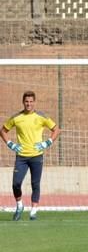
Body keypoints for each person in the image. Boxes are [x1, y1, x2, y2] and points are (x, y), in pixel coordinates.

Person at [1, 91, 61, 221]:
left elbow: (56, 129)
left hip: (36, 156)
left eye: (31, 101)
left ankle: (33, 211)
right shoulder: (16, 117)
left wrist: (48, 142)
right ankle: (19, 205)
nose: (29, 104)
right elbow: (3, 130)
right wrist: (11, 144)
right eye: (26, 101)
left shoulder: (41, 117)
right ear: (23, 102)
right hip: (21, 156)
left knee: (35, 184)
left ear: (34, 102)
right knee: (16, 184)